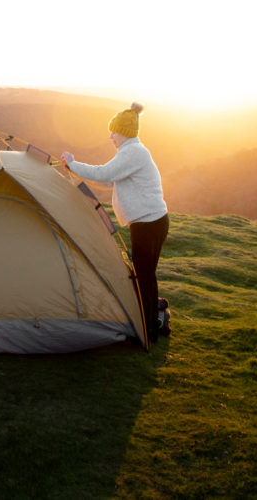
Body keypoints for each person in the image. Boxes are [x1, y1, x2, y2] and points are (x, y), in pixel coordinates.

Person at [60, 102, 169, 344]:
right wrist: (76, 171)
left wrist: (71, 164)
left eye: (114, 131)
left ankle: (149, 328)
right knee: (146, 274)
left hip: (148, 224)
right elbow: (109, 181)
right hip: (152, 221)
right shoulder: (132, 152)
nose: (110, 136)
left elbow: (104, 174)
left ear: (124, 132)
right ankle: (151, 320)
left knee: (144, 275)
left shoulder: (133, 153)